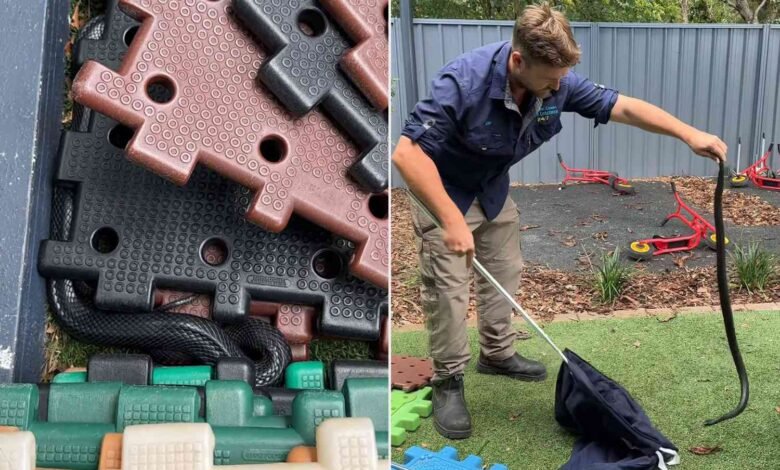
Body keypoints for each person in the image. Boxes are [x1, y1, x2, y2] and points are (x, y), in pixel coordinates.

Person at [392, 3, 727, 440]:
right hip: (443, 190)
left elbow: (621, 106)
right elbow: (406, 153)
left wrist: (689, 134)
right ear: (518, 61)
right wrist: (451, 220)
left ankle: (496, 353)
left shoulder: (557, 80)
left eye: (563, 78)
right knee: (450, 289)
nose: (559, 87)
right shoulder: (463, 82)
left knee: (506, 270)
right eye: (551, 79)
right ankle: (449, 380)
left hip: (491, 191)